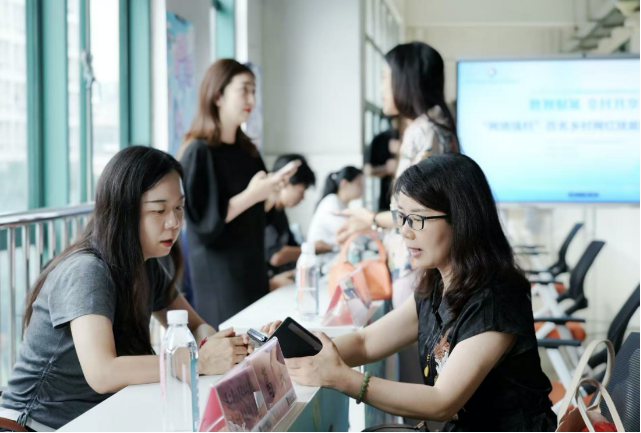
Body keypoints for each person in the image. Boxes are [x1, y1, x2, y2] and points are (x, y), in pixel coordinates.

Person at [261, 154, 557, 432]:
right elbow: (366, 342)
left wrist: (342, 378)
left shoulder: (496, 298)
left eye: (416, 219)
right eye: (401, 217)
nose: (404, 231)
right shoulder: (438, 283)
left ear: (462, 220)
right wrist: (300, 347)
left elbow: (442, 401)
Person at [0, 147, 251, 431]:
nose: (174, 222)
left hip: (94, 419)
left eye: (179, 207)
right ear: (124, 211)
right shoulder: (87, 271)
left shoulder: (146, 266)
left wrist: (213, 346)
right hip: (32, 425)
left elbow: (194, 325)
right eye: (159, 210)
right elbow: (103, 373)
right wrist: (197, 362)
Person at [336, 42, 459, 309]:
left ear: (406, 81)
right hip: (429, 259)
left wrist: (369, 219)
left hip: (416, 263)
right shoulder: (440, 127)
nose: (381, 89)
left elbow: (414, 214)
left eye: (384, 78)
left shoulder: (422, 133)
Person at [178, 59, 298, 329]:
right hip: (221, 274)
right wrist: (255, 194)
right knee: (232, 340)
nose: (251, 100)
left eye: (253, 91)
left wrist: (271, 193)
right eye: (244, 90)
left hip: (252, 268)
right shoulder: (199, 152)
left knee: (258, 340)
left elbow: (257, 215)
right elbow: (203, 223)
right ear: (217, 96)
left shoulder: (249, 152)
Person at [264, 154, 332, 290]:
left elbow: (292, 245)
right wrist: (313, 248)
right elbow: (276, 256)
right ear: (285, 182)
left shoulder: (280, 213)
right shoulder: (266, 213)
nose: (302, 197)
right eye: (301, 191)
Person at [307, 166, 363, 248]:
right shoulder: (331, 202)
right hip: (321, 255)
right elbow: (352, 234)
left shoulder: (343, 204)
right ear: (344, 183)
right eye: (359, 184)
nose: (362, 188)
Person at [364, 116, 400, 211]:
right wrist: (387, 168)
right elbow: (367, 170)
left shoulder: (414, 135)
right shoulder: (380, 139)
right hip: (387, 197)